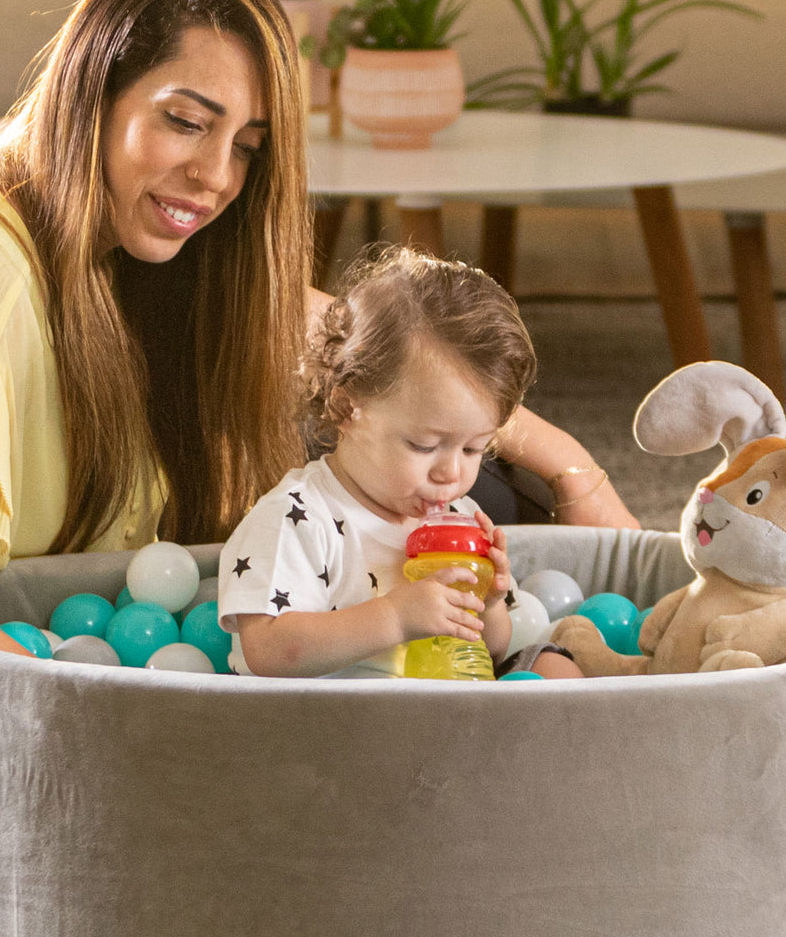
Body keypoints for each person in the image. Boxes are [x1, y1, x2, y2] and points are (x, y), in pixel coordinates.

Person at [0, 0, 633, 846]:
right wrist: (160, 728)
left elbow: (373, 347)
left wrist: (567, 464)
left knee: (472, 493)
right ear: (90, 93)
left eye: (246, 148)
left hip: (105, 633)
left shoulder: (84, 210)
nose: (217, 178)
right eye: (185, 121)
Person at [218, 248, 583, 680]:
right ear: (346, 408)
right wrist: (393, 618)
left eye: (473, 450)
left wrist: (488, 603)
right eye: (424, 445)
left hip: (447, 708)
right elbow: (267, 649)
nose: (451, 474)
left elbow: (491, 651)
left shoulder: (459, 519)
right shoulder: (299, 516)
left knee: (554, 665)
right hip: (345, 718)